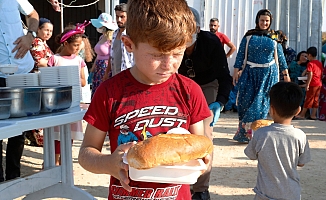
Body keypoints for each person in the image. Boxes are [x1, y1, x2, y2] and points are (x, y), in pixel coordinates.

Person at [78, 0, 212, 199]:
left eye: (177, 53)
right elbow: (86, 154)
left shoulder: (190, 91)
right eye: (157, 55)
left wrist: (203, 161)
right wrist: (109, 163)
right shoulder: (110, 92)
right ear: (129, 44)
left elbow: (199, 145)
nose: (168, 64)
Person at [178, 8, 232, 200]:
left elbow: (225, 77)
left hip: (207, 84)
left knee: (204, 135)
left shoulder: (211, 42)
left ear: (198, 29)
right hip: (181, 84)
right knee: (178, 131)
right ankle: (178, 181)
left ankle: (201, 189)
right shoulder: (173, 42)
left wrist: (220, 102)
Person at [244, 81, 311, 200]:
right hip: (292, 194)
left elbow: (251, 155)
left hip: (264, 194)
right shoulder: (300, 136)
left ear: (271, 109)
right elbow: (301, 162)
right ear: (298, 111)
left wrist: (253, 140)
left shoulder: (261, 134)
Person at [232, 9, 290, 143]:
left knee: (261, 104)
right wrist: (236, 71)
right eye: (262, 20)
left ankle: (259, 134)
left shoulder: (274, 37)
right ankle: (245, 134)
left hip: (268, 74)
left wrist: (285, 75)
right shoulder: (249, 36)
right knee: (245, 102)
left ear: (270, 22)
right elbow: (240, 54)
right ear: (257, 21)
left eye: (267, 21)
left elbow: (280, 57)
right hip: (249, 73)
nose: (264, 23)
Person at [0, 0, 39, 182]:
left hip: (22, 68)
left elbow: (33, 15)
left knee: (19, 130)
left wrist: (30, 36)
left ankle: (13, 178)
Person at [48, 22, 88, 165]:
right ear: (65, 43)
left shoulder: (79, 60)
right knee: (56, 133)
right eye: (75, 45)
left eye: (79, 45)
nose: (78, 48)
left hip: (72, 101)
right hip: (57, 102)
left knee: (68, 133)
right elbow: (49, 80)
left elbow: (83, 82)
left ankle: (65, 162)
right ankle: (54, 162)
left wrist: (73, 78)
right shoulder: (55, 59)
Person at [90, 13, 117, 96]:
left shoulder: (112, 39)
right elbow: (98, 56)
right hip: (98, 67)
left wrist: (107, 72)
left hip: (106, 67)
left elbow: (112, 56)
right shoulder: (101, 38)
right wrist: (93, 69)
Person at [105, 3, 134, 79]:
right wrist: (107, 73)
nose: (119, 20)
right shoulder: (115, 33)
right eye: (117, 16)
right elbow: (112, 56)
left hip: (128, 76)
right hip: (115, 76)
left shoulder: (132, 34)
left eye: (122, 17)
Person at [294, 47, 323, 120]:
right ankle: (313, 115)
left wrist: (307, 85)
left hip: (312, 84)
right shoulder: (319, 63)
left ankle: (302, 115)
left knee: (308, 99)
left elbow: (310, 74)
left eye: (307, 56)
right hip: (319, 84)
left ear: (309, 55)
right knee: (316, 100)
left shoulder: (310, 63)